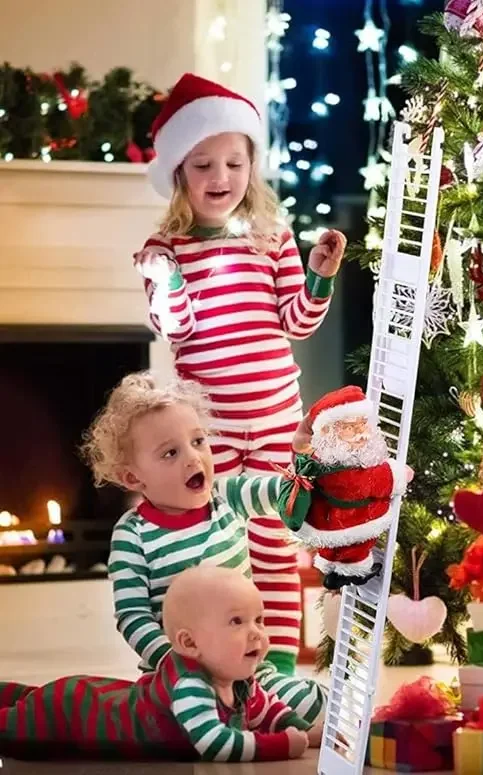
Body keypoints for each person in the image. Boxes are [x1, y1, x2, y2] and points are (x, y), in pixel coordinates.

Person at [134, 72, 347, 673]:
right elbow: (172, 327)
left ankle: (274, 669)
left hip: (276, 417)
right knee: (222, 548)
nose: (220, 178)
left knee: (275, 545)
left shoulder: (271, 238)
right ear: (178, 172)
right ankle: (222, 667)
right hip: (210, 430)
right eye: (202, 165)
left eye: (233, 162)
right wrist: (168, 276)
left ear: (251, 165)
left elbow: (297, 322)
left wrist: (319, 275)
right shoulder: (165, 248)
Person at [81, 371, 324, 724]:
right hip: (178, 681)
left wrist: (302, 453)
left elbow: (285, 491)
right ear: (134, 478)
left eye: (198, 441)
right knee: (177, 724)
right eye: (170, 453)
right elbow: (133, 617)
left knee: (312, 704)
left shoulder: (228, 499)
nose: (194, 458)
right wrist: (177, 663)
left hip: (248, 671)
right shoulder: (132, 535)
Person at [0, 567, 320, 762]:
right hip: (73, 714)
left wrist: (303, 730)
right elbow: (215, 744)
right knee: (17, 725)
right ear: (189, 643)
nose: (256, 633)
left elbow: (264, 708)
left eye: (259, 620)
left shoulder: (234, 676)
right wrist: (282, 744)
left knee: (28, 696)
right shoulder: (190, 686)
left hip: (92, 693)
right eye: (237, 621)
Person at [275, 386, 412, 589]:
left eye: (363, 424)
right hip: (348, 520)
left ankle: (332, 570)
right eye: (349, 428)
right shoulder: (339, 470)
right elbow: (371, 481)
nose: (360, 433)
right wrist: (398, 474)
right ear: (328, 433)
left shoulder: (320, 456)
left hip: (327, 519)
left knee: (335, 547)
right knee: (356, 547)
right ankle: (357, 571)